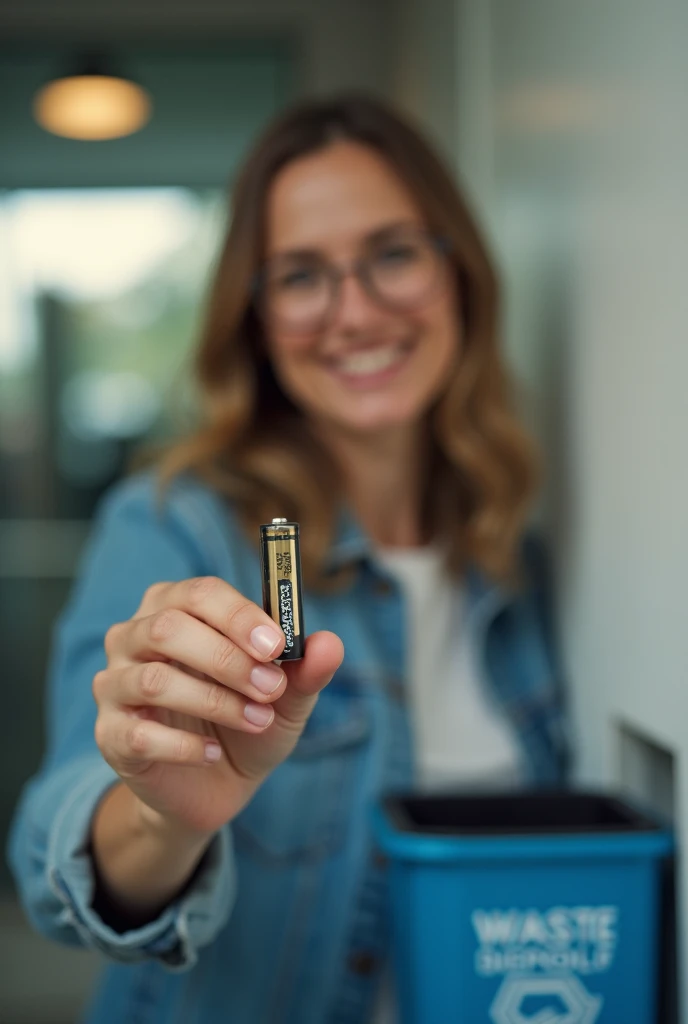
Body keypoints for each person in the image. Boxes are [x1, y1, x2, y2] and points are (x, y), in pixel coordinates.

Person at [8, 93, 570, 1024]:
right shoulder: (173, 528)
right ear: (256, 319)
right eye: (302, 276)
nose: (354, 313)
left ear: (459, 272)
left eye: (392, 253)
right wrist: (163, 820)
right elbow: (55, 853)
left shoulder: (514, 555)